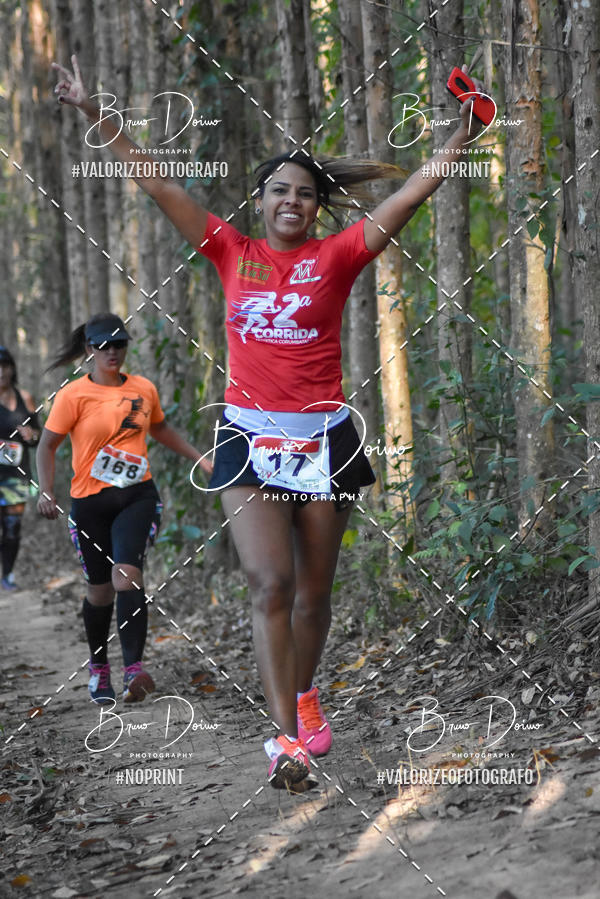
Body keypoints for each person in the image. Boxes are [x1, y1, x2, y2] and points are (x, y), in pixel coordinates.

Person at [52, 56, 483, 786]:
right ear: (261, 201)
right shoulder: (231, 251)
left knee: (314, 593)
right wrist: (96, 111)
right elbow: (156, 181)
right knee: (268, 581)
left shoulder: (338, 256)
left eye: (306, 194)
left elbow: (409, 196)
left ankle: (307, 695)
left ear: (318, 207)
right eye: (280, 190)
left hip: (321, 438)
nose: (293, 201)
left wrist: (460, 138)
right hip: (249, 437)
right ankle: (283, 738)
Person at [36, 312, 212, 704]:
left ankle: (134, 669)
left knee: (127, 575)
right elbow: (47, 445)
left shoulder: (143, 389)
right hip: (88, 504)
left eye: (118, 344)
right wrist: (46, 491)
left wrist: (199, 458)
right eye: (103, 345)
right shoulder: (72, 395)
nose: (112, 352)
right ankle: (99, 667)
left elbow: (160, 428)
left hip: (137, 497)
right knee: (99, 592)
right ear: (89, 349)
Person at [0, 346, 40, 590]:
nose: (1, 371)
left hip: (16, 474)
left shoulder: (25, 398)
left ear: (12, 368)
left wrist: (31, 435)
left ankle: (8, 575)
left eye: (5, 366)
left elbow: (38, 438)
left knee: (12, 528)